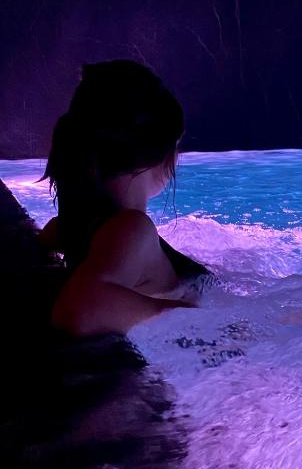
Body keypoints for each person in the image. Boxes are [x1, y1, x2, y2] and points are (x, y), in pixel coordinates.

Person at [40, 60, 210, 337]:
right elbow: (77, 310)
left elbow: (44, 244)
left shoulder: (68, 226)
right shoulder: (132, 229)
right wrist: (194, 317)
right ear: (163, 156)